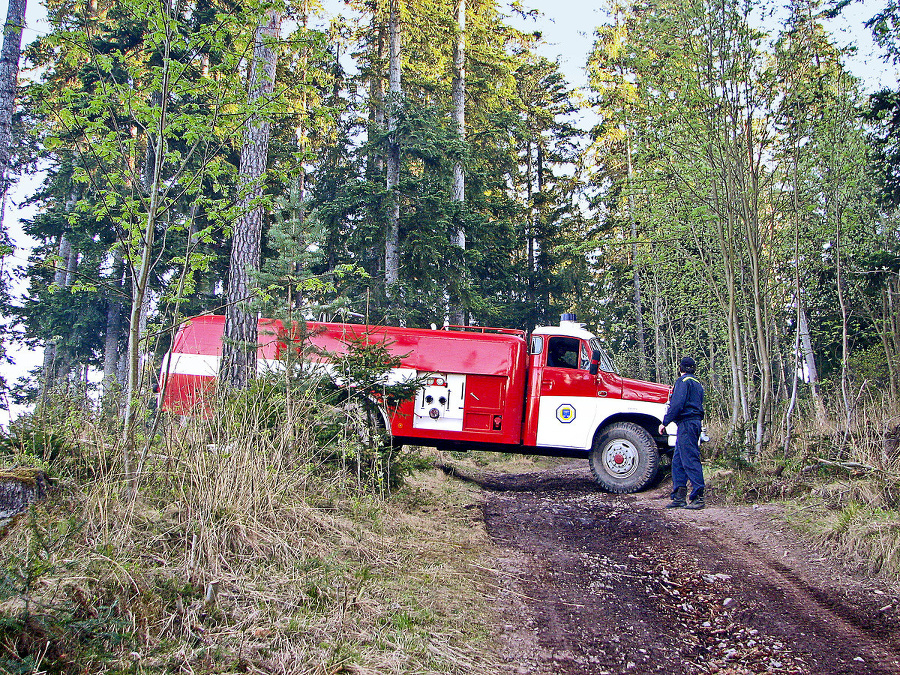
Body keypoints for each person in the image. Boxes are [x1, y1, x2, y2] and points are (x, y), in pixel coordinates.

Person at [659, 356, 706, 509]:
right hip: (694, 424)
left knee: (690, 459)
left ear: (681, 369)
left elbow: (677, 404)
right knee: (678, 461)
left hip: (687, 424)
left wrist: (665, 422)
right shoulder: (698, 384)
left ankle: (698, 497)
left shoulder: (682, 382)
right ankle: (679, 497)